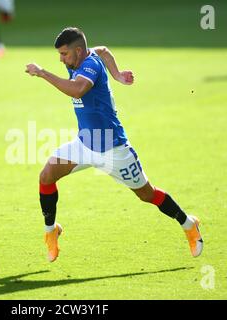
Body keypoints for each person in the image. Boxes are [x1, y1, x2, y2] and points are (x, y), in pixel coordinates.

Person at [25, 27, 203, 263]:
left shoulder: (90, 66)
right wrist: (117, 75)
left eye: (65, 54)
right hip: (85, 144)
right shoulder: (85, 57)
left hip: (114, 150)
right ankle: (51, 232)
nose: (61, 59)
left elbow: (78, 89)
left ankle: (189, 224)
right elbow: (104, 50)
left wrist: (42, 73)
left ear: (78, 51)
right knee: (46, 176)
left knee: (147, 194)